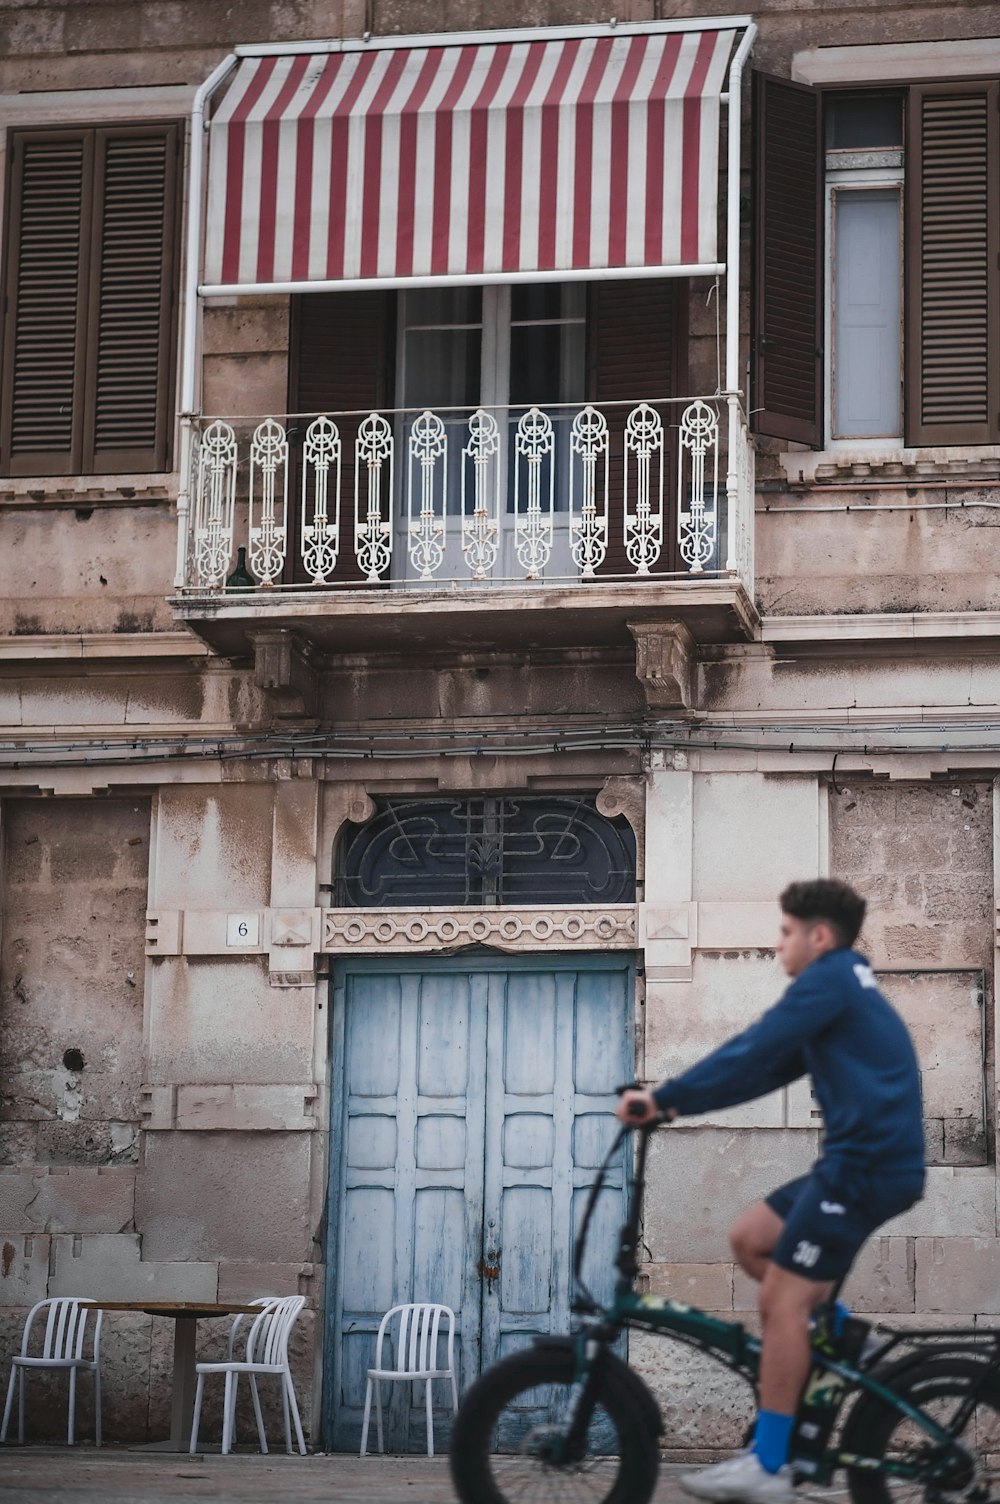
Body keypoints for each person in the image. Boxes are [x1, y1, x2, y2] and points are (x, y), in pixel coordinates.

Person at [616, 878, 925, 1504]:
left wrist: (662, 1096)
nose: (777, 944)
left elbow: (754, 1045)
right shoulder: (842, 988)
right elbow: (762, 1068)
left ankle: (771, 1464)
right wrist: (675, 1108)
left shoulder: (829, 980)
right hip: (858, 1163)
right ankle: (829, 1334)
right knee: (750, 1239)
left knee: (782, 1303)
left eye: (785, 932)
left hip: (863, 1169)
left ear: (818, 935)